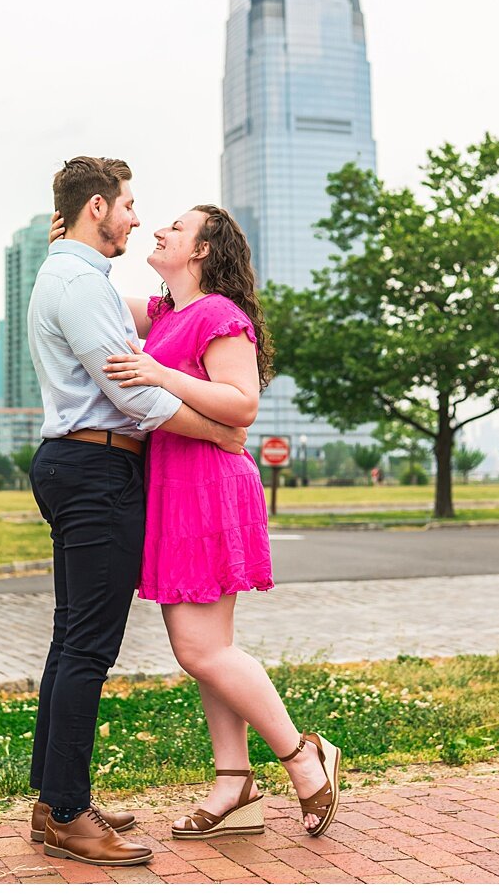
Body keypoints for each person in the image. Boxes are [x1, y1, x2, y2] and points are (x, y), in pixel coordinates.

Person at [54, 204, 340, 840]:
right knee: (211, 652)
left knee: (200, 648)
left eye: (176, 229)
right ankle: (233, 784)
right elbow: (92, 297)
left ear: (204, 251)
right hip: (174, 491)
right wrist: (71, 242)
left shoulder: (219, 315)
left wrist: (157, 373)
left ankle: (302, 757)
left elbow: (243, 406)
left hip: (210, 489)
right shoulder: (166, 314)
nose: (159, 230)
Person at [26, 158, 250, 867]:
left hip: (82, 464)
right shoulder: (79, 283)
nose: (136, 217)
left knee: (71, 639)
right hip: (96, 468)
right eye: (127, 204)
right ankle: (67, 812)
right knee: (88, 646)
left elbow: (160, 324)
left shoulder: (69, 275)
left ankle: (54, 795)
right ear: (97, 208)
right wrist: (219, 430)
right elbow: (137, 397)